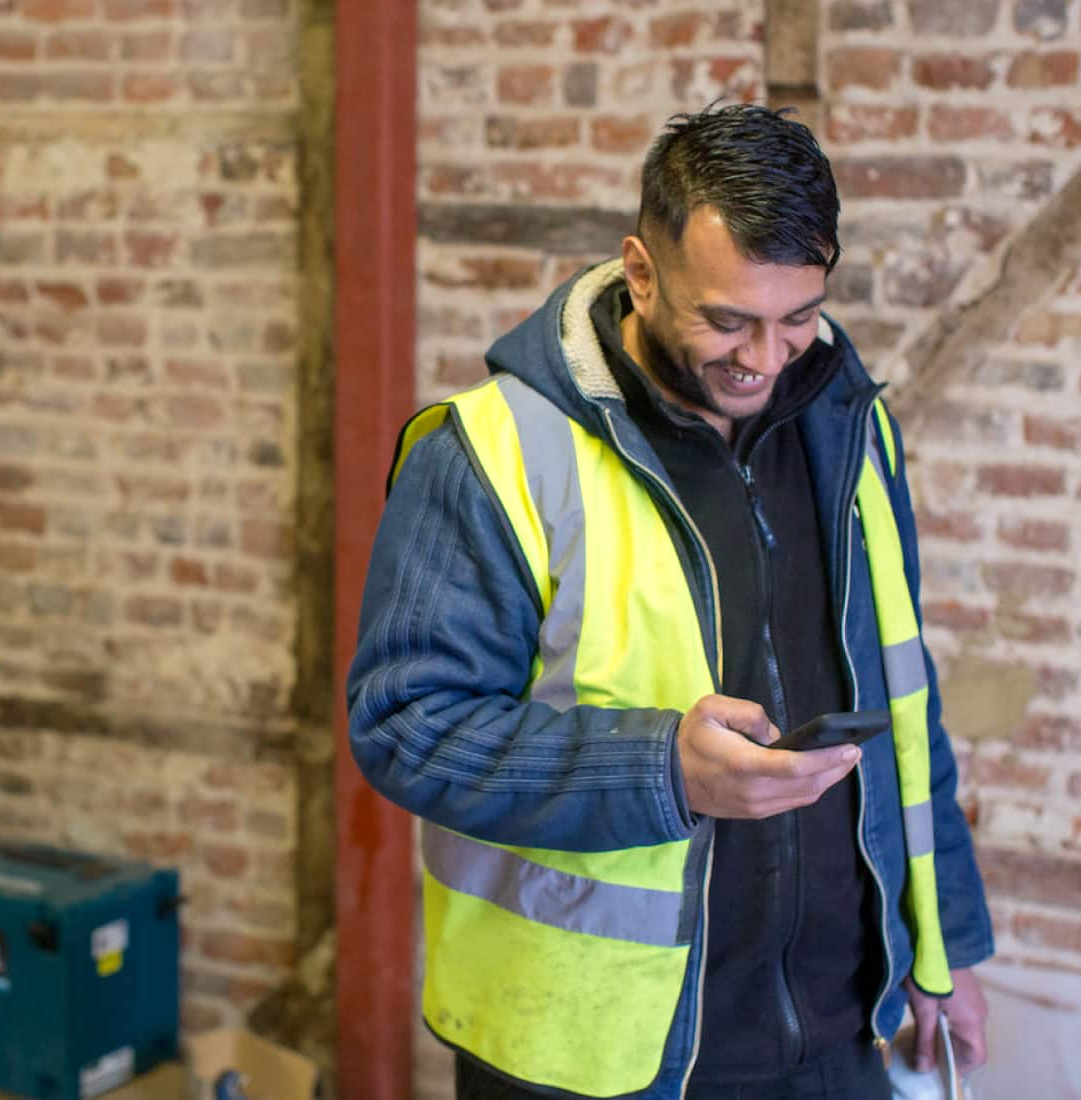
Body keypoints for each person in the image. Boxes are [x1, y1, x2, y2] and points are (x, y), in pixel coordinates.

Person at [345, 104, 996, 1100]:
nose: (764, 357)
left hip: (834, 1038)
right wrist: (661, 768)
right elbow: (404, 724)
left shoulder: (853, 433)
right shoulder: (487, 452)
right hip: (586, 1058)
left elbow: (908, 707)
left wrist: (943, 951)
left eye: (797, 316)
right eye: (726, 318)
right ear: (640, 271)